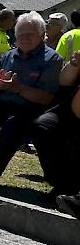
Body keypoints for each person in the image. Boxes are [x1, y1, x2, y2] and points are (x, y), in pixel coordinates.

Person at [0, 11, 64, 187]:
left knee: (11, 128)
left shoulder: (52, 59)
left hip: (31, 108)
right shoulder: (8, 56)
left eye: (29, 34)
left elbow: (46, 98)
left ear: (41, 34)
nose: (23, 39)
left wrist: (18, 88)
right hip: (2, 103)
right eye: (20, 35)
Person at [30, 50, 80, 200]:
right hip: (68, 108)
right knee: (43, 126)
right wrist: (74, 63)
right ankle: (60, 183)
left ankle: (72, 189)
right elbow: (64, 81)